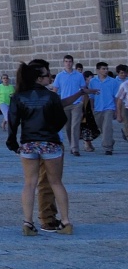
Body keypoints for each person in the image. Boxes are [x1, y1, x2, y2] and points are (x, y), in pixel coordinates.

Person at [8, 61, 72, 235]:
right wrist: (50, 130)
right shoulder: (51, 96)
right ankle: (65, 222)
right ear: (39, 78)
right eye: (47, 75)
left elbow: (13, 122)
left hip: (29, 143)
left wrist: (12, 142)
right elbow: (61, 119)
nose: (50, 77)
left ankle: (28, 223)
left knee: (29, 183)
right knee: (56, 182)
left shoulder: (18, 97)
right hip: (50, 142)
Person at [53, 56, 89, 156]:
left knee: (75, 126)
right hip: (65, 104)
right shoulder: (59, 76)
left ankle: (75, 148)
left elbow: (83, 90)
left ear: (72, 63)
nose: (68, 63)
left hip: (77, 104)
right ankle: (71, 144)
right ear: (63, 63)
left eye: (70, 61)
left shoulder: (79, 75)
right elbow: (55, 90)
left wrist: (82, 102)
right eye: (66, 61)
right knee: (68, 127)